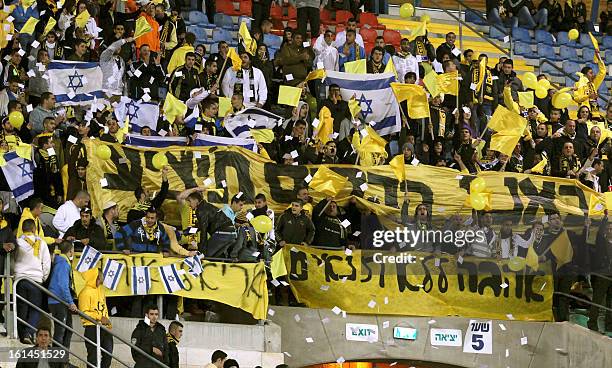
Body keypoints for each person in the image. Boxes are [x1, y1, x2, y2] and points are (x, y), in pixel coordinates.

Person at [13, 219, 51, 344]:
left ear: (22, 229)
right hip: (35, 280)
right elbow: (46, 264)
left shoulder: (17, 242)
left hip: (20, 280)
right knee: (35, 309)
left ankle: (21, 334)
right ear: (34, 229)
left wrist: (15, 275)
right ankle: (29, 332)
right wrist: (43, 277)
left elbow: (12, 261)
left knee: (21, 307)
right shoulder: (42, 243)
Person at [78, 268, 113, 368]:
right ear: (94, 278)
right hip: (91, 328)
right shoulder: (84, 292)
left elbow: (104, 308)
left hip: (104, 328)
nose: (100, 282)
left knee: (108, 355)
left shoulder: (101, 291)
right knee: (93, 358)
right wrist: (99, 317)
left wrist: (108, 322)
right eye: (99, 280)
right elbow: (83, 313)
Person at [47, 241, 77, 351]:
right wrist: (70, 302)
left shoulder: (62, 262)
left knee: (68, 330)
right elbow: (63, 285)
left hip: (60, 301)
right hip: (58, 301)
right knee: (61, 331)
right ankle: (57, 360)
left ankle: (63, 359)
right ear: (71, 251)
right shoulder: (63, 264)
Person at [588, 214, 612, 333]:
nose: (609, 230)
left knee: (610, 302)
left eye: (611, 229)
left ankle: (609, 326)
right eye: (608, 229)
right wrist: (605, 218)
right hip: (602, 275)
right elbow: (599, 233)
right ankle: (592, 323)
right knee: (597, 300)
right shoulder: (601, 242)